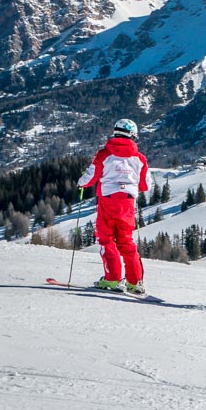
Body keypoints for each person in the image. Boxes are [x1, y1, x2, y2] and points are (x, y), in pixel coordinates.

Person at [78, 118, 151, 294]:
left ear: (115, 132)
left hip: (108, 200)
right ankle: (135, 282)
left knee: (107, 238)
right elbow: (146, 185)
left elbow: (91, 177)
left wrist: (81, 183)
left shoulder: (104, 154)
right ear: (133, 136)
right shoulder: (140, 158)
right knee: (126, 240)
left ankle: (113, 279)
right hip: (127, 202)